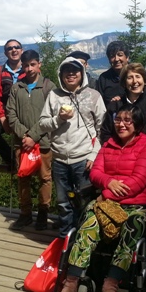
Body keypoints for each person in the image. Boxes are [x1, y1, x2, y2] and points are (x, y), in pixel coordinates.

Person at [55, 105, 146, 292]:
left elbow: (139, 181)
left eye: (127, 120)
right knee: (87, 222)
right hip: (106, 203)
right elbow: (95, 174)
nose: (121, 124)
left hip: (135, 205)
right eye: (118, 119)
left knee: (134, 225)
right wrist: (109, 183)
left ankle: (110, 285)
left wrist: (106, 190)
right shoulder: (108, 145)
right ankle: (71, 283)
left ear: (137, 124)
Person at [39, 55, 106, 238]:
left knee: (85, 203)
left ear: (82, 73)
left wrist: (93, 155)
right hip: (60, 159)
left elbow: (102, 129)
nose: (71, 74)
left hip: (84, 159)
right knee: (63, 203)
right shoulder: (54, 95)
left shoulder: (93, 96)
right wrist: (59, 118)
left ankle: (84, 240)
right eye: (67, 70)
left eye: (75, 70)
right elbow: (43, 124)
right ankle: (64, 240)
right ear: (61, 74)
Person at [6, 50, 56, 230]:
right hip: (22, 143)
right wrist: (24, 135)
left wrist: (33, 136)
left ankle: (43, 213)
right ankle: (25, 214)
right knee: (23, 179)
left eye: (32, 64)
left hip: (43, 143)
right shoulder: (16, 87)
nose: (29, 68)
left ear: (39, 64)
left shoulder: (48, 87)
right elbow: (10, 114)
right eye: (26, 65)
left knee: (45, 178)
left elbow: (51, 115)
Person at [0, 39, 26, 166]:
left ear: (22, 50)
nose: (14, 50)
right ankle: (11, 161)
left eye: (16, 47)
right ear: (5, 53)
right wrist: (2, 118)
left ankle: (27, 162)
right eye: (10, 48)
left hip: (23, 109)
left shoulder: (29, 69)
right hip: (3, 109)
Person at [96, 41, 130, 105]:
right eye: (112, 56)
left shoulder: (137, 75)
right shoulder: (104, 78)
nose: (116, 59)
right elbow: (99, 104)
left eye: (120, 55)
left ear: (127, 57)